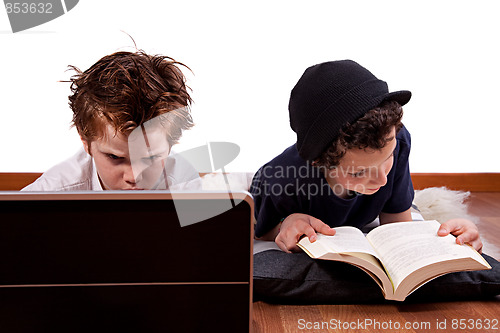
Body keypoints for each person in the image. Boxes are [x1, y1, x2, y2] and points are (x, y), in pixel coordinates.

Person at [250, 60, 482, 253]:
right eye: (358, 172)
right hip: (269, 189)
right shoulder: (284, 180)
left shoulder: (397, 142)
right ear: (321, 163)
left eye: (386, 159)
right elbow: (260, 231)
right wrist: (284, 226)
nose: (382, 181)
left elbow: (399, 226)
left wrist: (447, 241)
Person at [23, 50, 199, 191]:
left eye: (150, 157)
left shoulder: (186, 187)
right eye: (115, 157)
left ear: (171, 143)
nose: (133, 177)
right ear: (85, 141)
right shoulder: (50, 194)